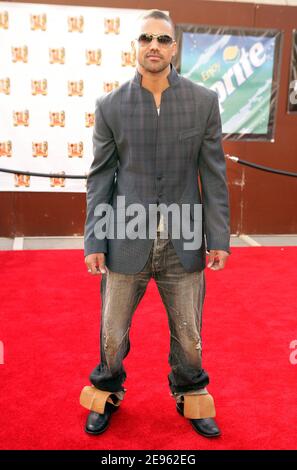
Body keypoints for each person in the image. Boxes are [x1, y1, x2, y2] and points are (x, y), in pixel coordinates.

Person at [81, 9, 230, 438]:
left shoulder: (203, 102)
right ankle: (106, 390)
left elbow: (214, 174)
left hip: (184, 239)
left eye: (162, 40)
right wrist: (95, 240)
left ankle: (191, 394)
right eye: (146, 38)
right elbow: (101, 177)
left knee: (189, 336)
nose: (154, 46)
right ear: (135, 45)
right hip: (125, 235)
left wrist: (217, 236)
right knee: (112, 333)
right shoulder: (111, 105)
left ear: (173, 47)